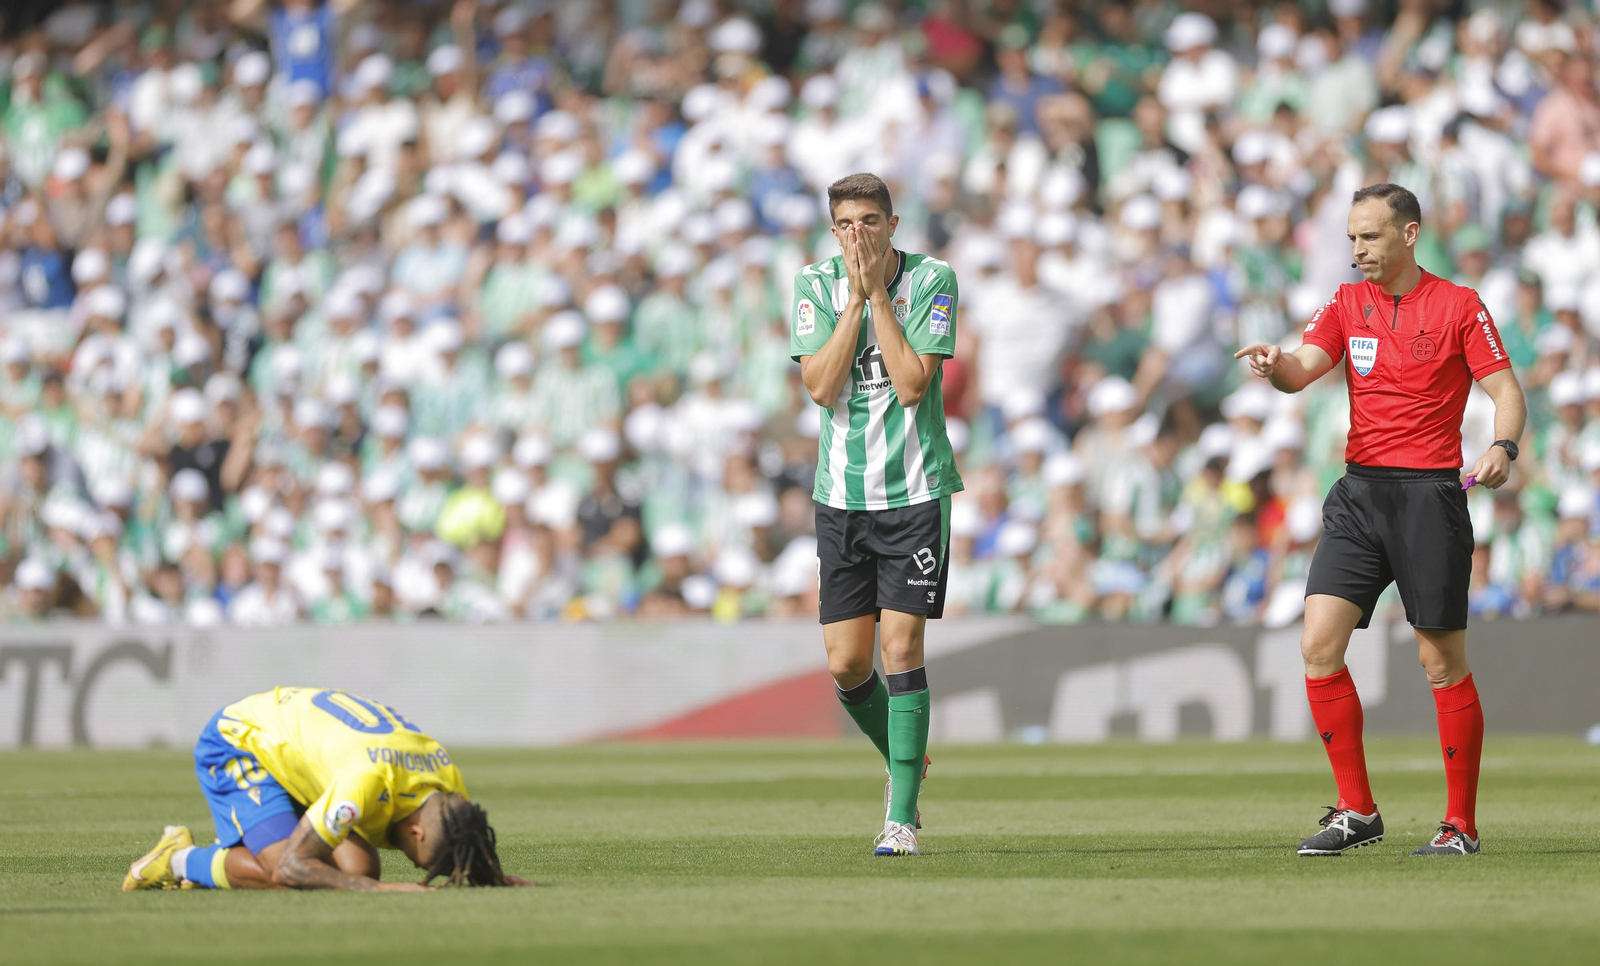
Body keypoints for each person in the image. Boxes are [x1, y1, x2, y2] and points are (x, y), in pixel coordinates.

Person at [1236, 184, 1526, 857]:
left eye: (1370, 236)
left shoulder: (1458, 305)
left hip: (1429, 497)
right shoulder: (1345, 303)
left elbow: (1506, 391)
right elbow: (1304, 368)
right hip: (1360, 495)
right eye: (1352, 238)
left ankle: (1460, 825)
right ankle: (1357, 812)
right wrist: (1275, 365)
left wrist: (1502, 447)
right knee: (1317, 645)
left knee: (1439, 661)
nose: (1358, 250)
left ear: (1410, 233)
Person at [791, 173, 963, 857]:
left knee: (900, 650)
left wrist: (879, 298)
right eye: (845, 224)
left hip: (915, 492)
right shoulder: (813, 284)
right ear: (833, 231)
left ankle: (902, 815)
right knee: (847, 665)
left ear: (893, 224)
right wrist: (852, 307)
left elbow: (914, 383)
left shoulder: (933, 279)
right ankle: (905, 757)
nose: (856, 234)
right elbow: (821, 385)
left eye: (869, 220)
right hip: (841, 496)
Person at [122, 687, 530, 890]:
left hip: (308, 756)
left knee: (358, 868)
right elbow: (294, 866)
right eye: (429, 864)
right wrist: (381, 891)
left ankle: (262, 831)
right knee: (284, 873)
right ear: (416, 831)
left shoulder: (445, 780)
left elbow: (463, 836)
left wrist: (491, 876)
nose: (427, 871)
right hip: (242, 741)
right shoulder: (365, 783)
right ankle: (178, 859)